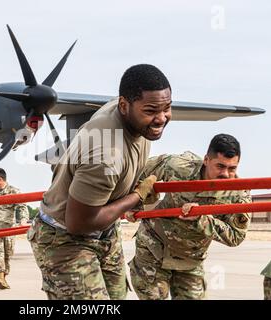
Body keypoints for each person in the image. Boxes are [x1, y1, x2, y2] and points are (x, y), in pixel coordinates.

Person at [28, 64, 172, 300]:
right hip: (66, 238)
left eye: (167, 108)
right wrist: (136, 196)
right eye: (151, 110)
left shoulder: (132, 117)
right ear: (124, 106)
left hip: (105, 232)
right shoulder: (106, 155)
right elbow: (79, 223)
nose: (161, 118)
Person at [127, 133, 252, 300]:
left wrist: (202, 219)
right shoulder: (180, 166)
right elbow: (137, 171)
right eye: (220, 166)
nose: (226, 174)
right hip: (154, 247)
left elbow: (236, 236)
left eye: (232, 168)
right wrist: (133, 203)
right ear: (207, 160)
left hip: (190, 260)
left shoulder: (238, 194)